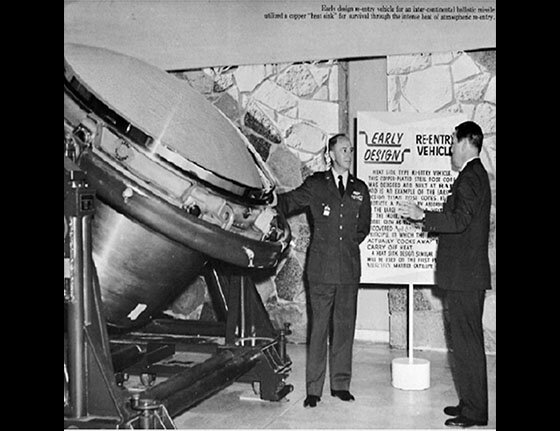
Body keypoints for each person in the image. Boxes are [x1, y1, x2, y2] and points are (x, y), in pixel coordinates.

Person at [397, 120, 491, 428]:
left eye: (453, 141)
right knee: (464, 342)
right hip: (466, 275)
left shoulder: (470, 178)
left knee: (467, 343)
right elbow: (458, 220)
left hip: (465, 277)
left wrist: (423, 215)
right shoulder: (473, 176)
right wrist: (426, 220)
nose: (450, 148)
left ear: (466, 142)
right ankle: (469, 403)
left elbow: (460, 220)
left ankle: (475, 413)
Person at [276, 133, 371, 408]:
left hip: (349, 270)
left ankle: (340, 384)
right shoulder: (316, 184)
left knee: (344, 329)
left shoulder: (360, 188)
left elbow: (363, 227)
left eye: (350, 150)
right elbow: (287, 202)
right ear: (329, 155)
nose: (348, 154)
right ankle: (314, 389)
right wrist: (266, 202)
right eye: (343, 149)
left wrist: (345, 247)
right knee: (318, 330)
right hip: (320, 271)